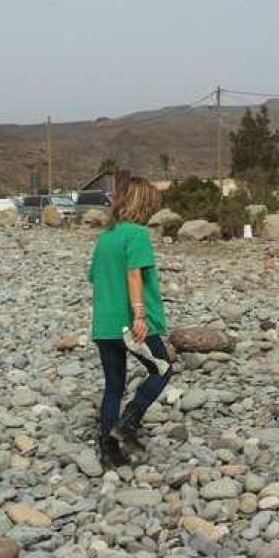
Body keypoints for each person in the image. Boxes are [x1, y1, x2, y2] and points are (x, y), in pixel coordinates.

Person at [88, 176, 173, 467]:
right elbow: (133, 274)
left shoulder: (106, 237)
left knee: (114, 386)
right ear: (144, 204)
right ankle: (128, 422)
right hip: (132, 325)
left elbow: (93, 278)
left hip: (104, 325)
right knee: (161, 369)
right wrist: (139, 314)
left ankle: (108, 450)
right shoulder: (137, 235)